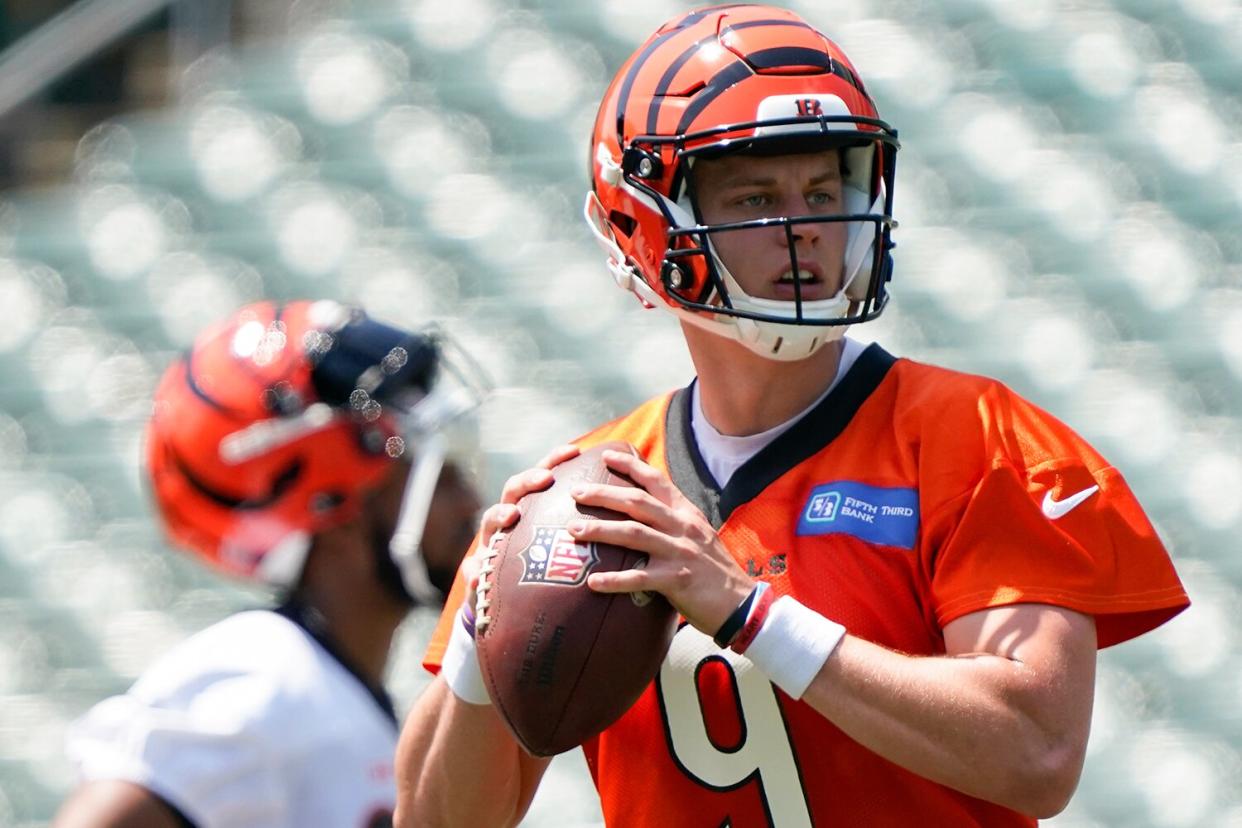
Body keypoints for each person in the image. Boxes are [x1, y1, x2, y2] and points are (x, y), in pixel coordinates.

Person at [394, 5, 1190, 826]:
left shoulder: (983, 441)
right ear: (647, 221)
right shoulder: (589, 496)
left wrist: (747, 612)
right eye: (754, 198)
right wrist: (476, 645)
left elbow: (1037, 754)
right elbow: (437, 821)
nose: (804, 228)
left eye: (822, 189)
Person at [54, 299, 487, 828]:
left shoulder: (322, 685)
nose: (470, 504)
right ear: (335, 504)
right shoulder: (266, 675)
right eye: (438, 477)